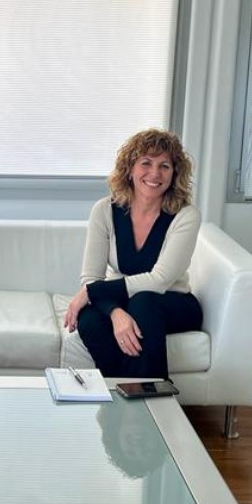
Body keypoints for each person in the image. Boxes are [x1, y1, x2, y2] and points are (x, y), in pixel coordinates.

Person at [64, 128, 204, 380]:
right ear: (130, 169)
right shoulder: (104, 210)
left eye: (164, 166)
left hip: (172, 303)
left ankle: (151, 393)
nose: (155, 173)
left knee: (143, 302)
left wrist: (91, 292)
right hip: (123, 301)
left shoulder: (185, 215)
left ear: (174, 174)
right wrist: (115, 313)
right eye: (146, 163)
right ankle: (124, 392)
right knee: (89, 318)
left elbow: (159, 280)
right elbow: (91, 277)